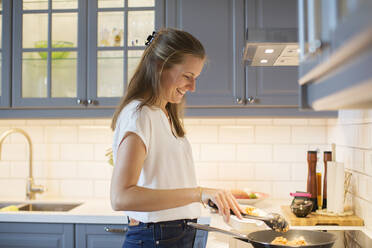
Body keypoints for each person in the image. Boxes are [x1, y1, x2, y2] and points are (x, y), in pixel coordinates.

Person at [110, 28, 243, 248]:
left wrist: (208, 197)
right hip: (155, 238)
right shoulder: (139, 115)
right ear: (160, 66)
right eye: (187, 76)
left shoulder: (162, 113)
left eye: (195, 78)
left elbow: (167, 181)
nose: (192, 87)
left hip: (172, 235)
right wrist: (198, 193)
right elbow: (121, 197)